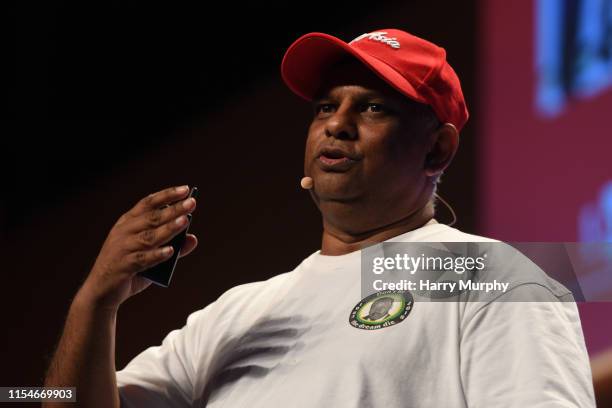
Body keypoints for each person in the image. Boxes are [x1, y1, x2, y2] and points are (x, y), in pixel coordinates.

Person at [44, 29, 596, 407]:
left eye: (373, 107)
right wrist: (95, 302)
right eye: (325, 107)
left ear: (437, 151)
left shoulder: (493, 276)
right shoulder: (235, 312)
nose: (337, 124)